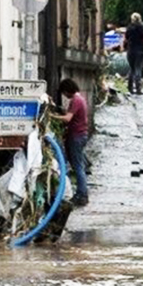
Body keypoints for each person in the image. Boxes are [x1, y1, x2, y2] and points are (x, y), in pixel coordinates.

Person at [51, 78, 90, 207]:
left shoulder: (76, 100)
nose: (65, 96)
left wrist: (52, 117)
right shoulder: (80, 99)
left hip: (76, 137)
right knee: (76, 164)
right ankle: (79, 193)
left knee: (78, 166)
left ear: (68, 90)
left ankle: (82, 195)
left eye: (64, 93)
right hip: (79, 136)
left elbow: (68, 119)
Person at [124, 12, 143, 95]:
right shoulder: (142, 28)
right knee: (138, 68)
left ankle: (130, 88)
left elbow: (126, 37)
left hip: (130, 50)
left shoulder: (129, 28)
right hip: (139, 50)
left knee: (132, 69)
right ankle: (138, 88)